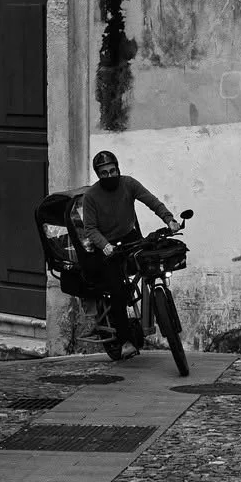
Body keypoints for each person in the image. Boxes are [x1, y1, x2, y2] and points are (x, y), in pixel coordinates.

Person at [76, 150, 182, 350]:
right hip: (107, 245)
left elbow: (151, 201)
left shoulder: (129, 184)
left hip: (129, 237)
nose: (109, 175)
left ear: (118, 169)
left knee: (151, 261)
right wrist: (104, 245)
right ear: (98, 175)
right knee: (117, 290)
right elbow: (90, 228)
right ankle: (125, 340)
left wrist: (169, 219)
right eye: (104, 173)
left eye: (112, 171)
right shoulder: (91, 196)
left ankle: (158, 307)